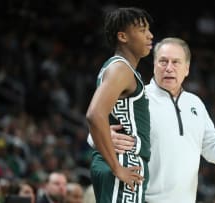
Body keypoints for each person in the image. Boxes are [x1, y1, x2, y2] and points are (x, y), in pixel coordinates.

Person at [107, 37, 215, 202]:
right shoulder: (136, 99)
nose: (169, 68)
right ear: (154, 65)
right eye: (163, 61)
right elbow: (96, 132)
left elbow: (213, 150)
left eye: (176, 62)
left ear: (187, 69)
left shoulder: (195, 103)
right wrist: (103, 138)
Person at [85, 7, 153, 203]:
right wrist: (117, 167)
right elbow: (94, 114)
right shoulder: (121, 68)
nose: (150, 35)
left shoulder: (117, 67)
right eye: (142, 30)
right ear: (123, 37)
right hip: (124, 162)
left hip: (117, 161)